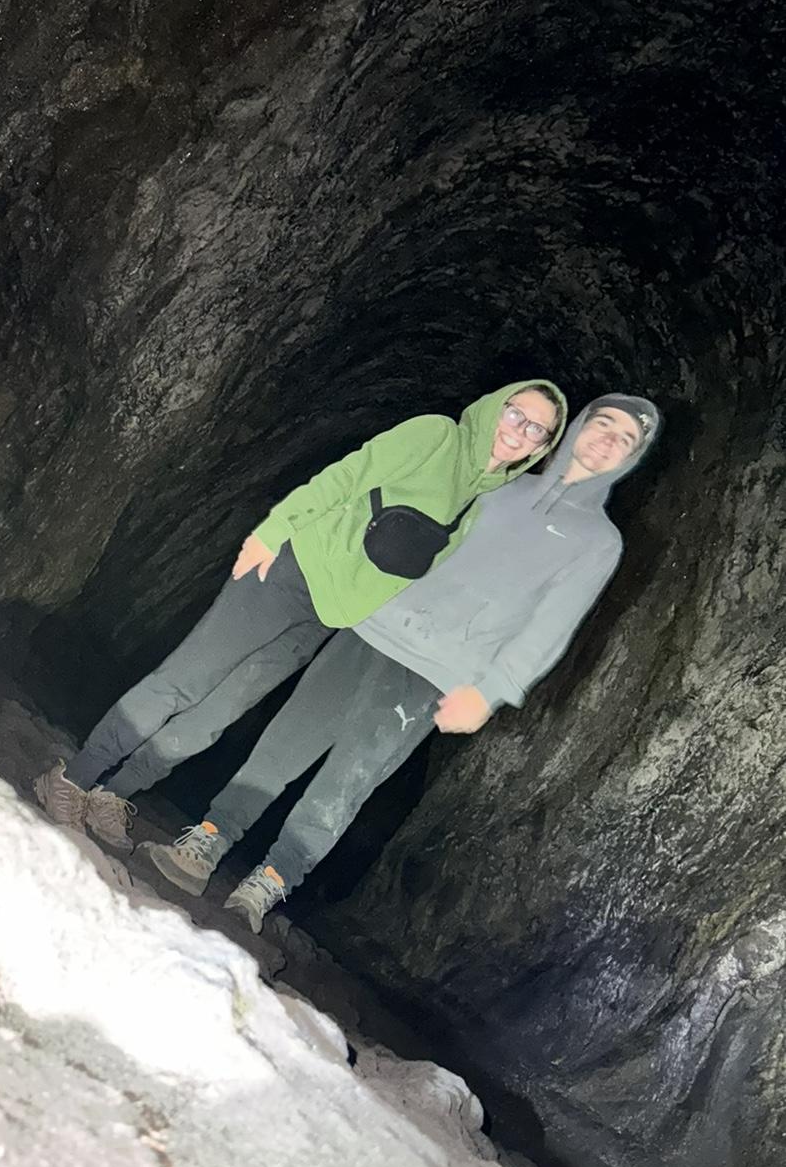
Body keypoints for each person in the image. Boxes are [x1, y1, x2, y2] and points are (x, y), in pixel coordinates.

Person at [138, 394, 661, 932]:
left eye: (625, 440)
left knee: (346, 782)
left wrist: (491, 690)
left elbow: (551, 626)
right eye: (603, 424)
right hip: (373, 630)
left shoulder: (598, 542)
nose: (607, 441)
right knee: (285, 742)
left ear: (631, 459)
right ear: (576, 427)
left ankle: (269, 882)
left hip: (437, 673)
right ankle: (208, 841)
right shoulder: (499, 486)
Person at [34, 380, 567, 848]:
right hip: (290, 573)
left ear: (542, 447)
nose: (518, 431)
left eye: (536, 429)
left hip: (326, 617)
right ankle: (73, 777)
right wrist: (274, 531)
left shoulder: (480, 502)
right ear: (496, 407)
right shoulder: (437, 436)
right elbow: (349, 475)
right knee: (185, 680)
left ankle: (116, 793)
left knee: (219, 713)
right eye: (515, 413)